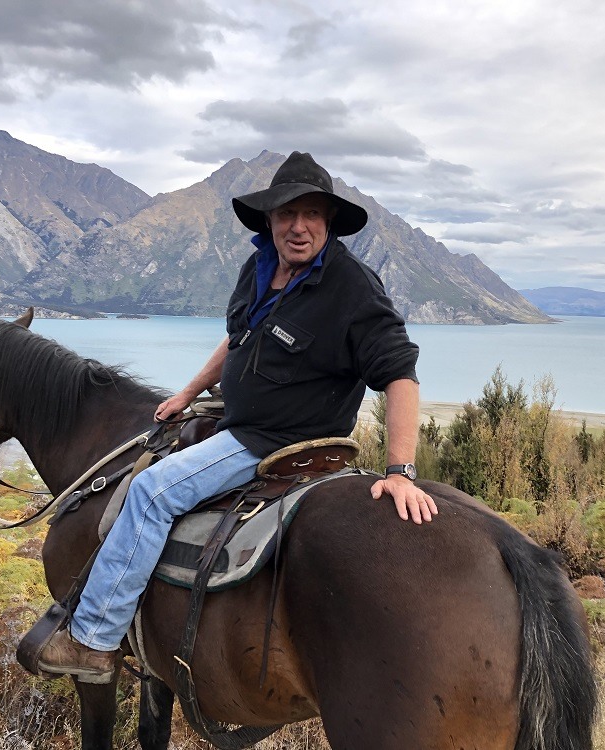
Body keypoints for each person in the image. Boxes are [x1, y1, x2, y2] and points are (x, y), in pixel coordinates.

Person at [36, 151, 437, 682]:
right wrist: (188, 392)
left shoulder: (353, 288)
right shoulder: (261, 268)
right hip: (243, 417)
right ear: (268, 220)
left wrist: (400, 472)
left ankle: (94, 637)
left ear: (329, 222)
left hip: (273, 440)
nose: (298, 227)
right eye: (286, 215)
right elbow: (238, 337)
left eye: (312, 214)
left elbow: (400, 375)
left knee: (152, 491)